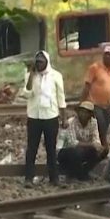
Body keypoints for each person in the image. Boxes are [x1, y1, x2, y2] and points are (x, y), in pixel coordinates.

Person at [20, 51, 67, 187]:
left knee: (51, 149)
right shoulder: (30, 75)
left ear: (46, 62)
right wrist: (31, 75)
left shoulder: (56, 76)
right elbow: (27, 94)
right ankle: (28, 178)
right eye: (37, 62)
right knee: (32, 148)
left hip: (50, 116)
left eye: (41, 62)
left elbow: (61, 98)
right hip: (34, 116)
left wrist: (63, 118)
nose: (39, 64)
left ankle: (54, 178)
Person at [82, 44, 110, 145]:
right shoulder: (95, 68)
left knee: (109, 127)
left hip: (109, 106)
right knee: (101, 125)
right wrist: (82, 102)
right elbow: (87, 86)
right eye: (106, 54)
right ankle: (103, 147)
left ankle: (105, 147)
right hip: (95, 104)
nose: (108, 56)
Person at [56, 101, 101, 181]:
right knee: (76, 152)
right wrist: (91, 144)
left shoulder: (93, 122)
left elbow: (96, 139)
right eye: (81, 111)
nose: (82, 114)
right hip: (65, 151)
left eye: (85, 112)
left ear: (90, 114)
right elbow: (72, 143)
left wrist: (97, 146)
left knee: (99, 152)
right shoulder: (71, 122)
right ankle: (77, 175)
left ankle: (83, 172)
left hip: (82, 150)